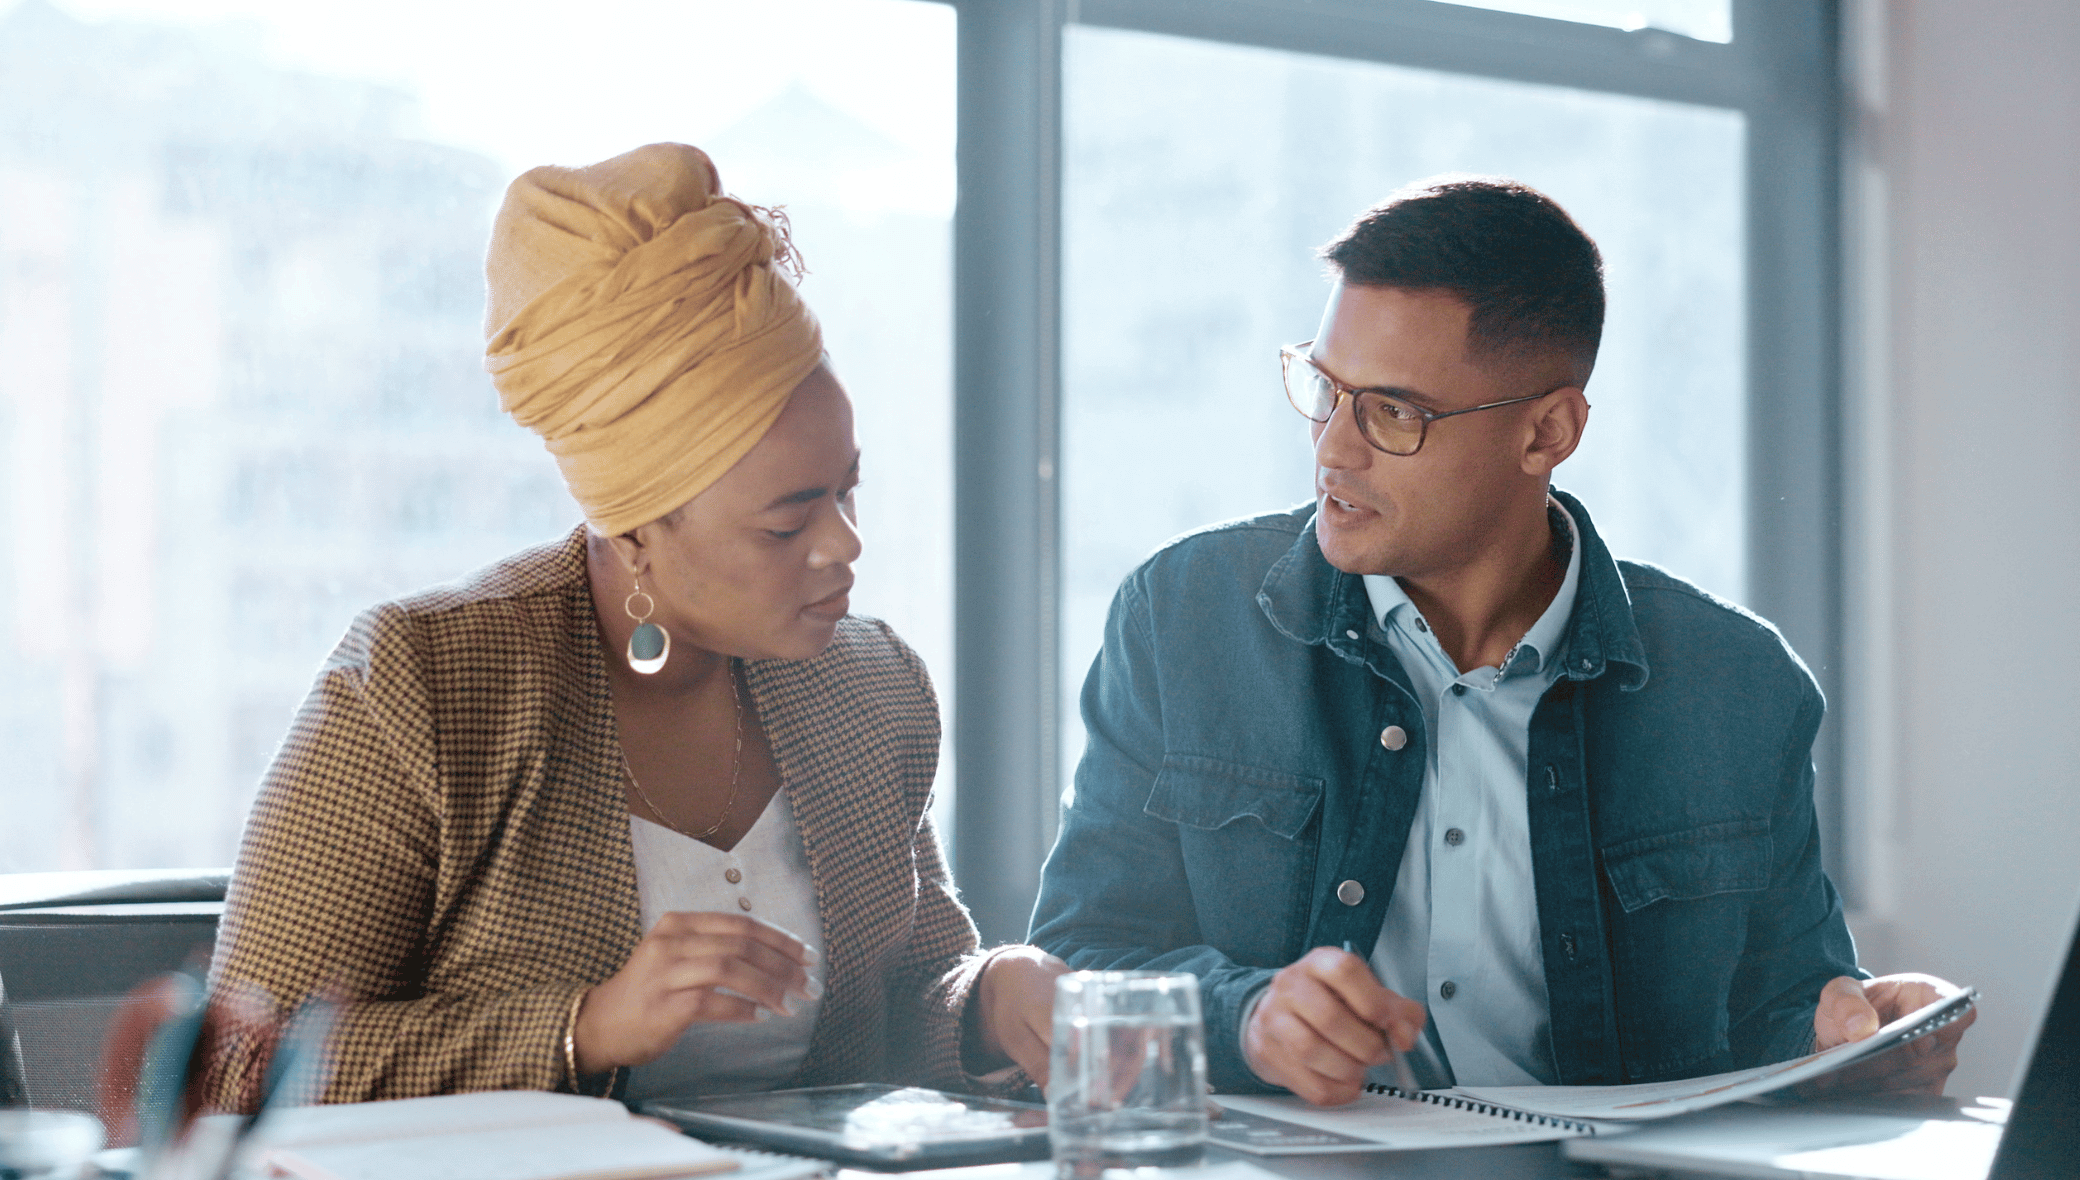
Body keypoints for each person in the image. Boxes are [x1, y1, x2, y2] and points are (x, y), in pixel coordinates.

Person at [1028, 177, 1974, 1105]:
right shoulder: (1185, 619)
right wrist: (1248, 1020)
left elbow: (1785, 1010)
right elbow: (1076, 963)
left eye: (1393, 411)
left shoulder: (1741, 685)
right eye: (1324, 388)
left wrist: (1862, 1034)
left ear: (1547, 433)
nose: (1331, 448)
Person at [203, 143, 1065, 1110]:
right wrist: (585, 1026)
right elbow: (235, 1068)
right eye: (788, 520)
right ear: (638, 529)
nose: (843, 545)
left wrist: (988, 998)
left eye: (848, 490)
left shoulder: (871, 689)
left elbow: (902, 997)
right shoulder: (425, 684)